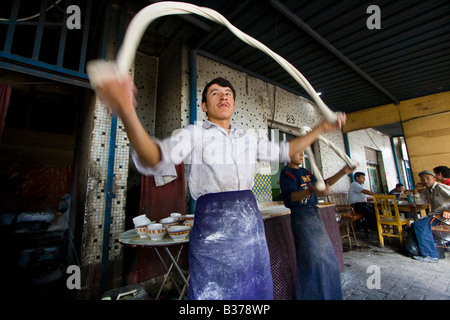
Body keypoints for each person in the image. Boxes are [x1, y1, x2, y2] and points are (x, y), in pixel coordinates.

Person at [93, 71, 346, 299]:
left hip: (251, 230)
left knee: (256, 292)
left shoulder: (247, 138)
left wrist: (321, 127)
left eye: (227, 94)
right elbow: (155, 157)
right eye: (215, 94)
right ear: (204, 105)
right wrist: (126, 110)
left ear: (233, 104)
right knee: (214, 294)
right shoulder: (193, 134)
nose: (223, 97)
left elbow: (286, 149)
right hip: (212, 230)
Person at [280, 151, 354, 300]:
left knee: (328, 257)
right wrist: (311, 190)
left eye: (302, 152)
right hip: (301, 217)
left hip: (315, 215)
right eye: (297, 152)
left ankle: (332, 296)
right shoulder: (286, 173)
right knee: (312, 260)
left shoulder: (306, 172)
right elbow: (291, 197)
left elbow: (322, 183)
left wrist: (343, 172)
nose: (301, 155)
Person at [410, 170, 450, 262]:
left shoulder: (440, 187)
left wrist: (449, 211)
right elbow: (420, 202)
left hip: (444, 216)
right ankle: (428, 250)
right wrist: (415, 191)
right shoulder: (427, 191)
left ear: (434, 179)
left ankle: (431, 255)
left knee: (420, 225)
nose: (426, 181)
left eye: (428, 178)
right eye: (423, 180)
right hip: (436, 215)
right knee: (415, 225)